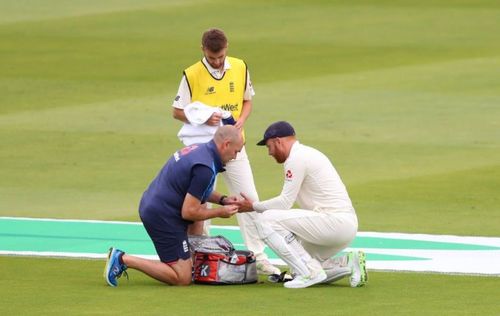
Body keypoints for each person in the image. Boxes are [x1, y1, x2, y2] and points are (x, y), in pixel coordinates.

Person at [171, 27, 280, 275]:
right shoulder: (192, 74)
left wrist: (241, 119)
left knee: (247, 197)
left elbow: (247, 100)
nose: (217, 62)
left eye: (220, 57)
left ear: (227, 48)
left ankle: (259, 256)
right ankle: (202, 255)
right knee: (199, 202)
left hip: (234, 147)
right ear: (203, 51)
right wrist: (201, 119)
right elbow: (177, 111)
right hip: (202, 151)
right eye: (212, 58)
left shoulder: (240, 67)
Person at [104, 126, 244, 287]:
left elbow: (197, 190)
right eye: (236, 151)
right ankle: (122, 259)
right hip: (162, 215)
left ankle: (188, 262)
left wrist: (223, 199)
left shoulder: (201, 150)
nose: (235, 156)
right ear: (226, 144)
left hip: (157, 204)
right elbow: (189, 212)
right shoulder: (205, 167)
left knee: (201, 205)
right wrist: (221, 212)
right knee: (182, 278)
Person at [234, 121, 368, 289]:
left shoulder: (296, 158)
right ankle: (348, 262)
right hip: (343, 226)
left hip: (333, 223)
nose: (269, 153)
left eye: (269, 147)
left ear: (278, 141)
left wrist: (253, 206)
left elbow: (284, 203)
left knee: (265, 220)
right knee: (301, 266)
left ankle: (309, 273)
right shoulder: (306, 154)